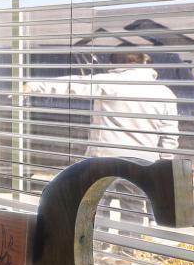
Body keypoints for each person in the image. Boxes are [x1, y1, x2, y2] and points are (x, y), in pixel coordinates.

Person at [23, 51, 181, 222]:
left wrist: (33, 85)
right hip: (142, 162)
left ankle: (99, 245)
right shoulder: (165, 93)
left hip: (105, 160)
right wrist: (162, 166)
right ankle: (128, 247)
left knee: (97, 206)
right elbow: (169, 137)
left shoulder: (111, 83)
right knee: (133, 209)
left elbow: (75, 84)